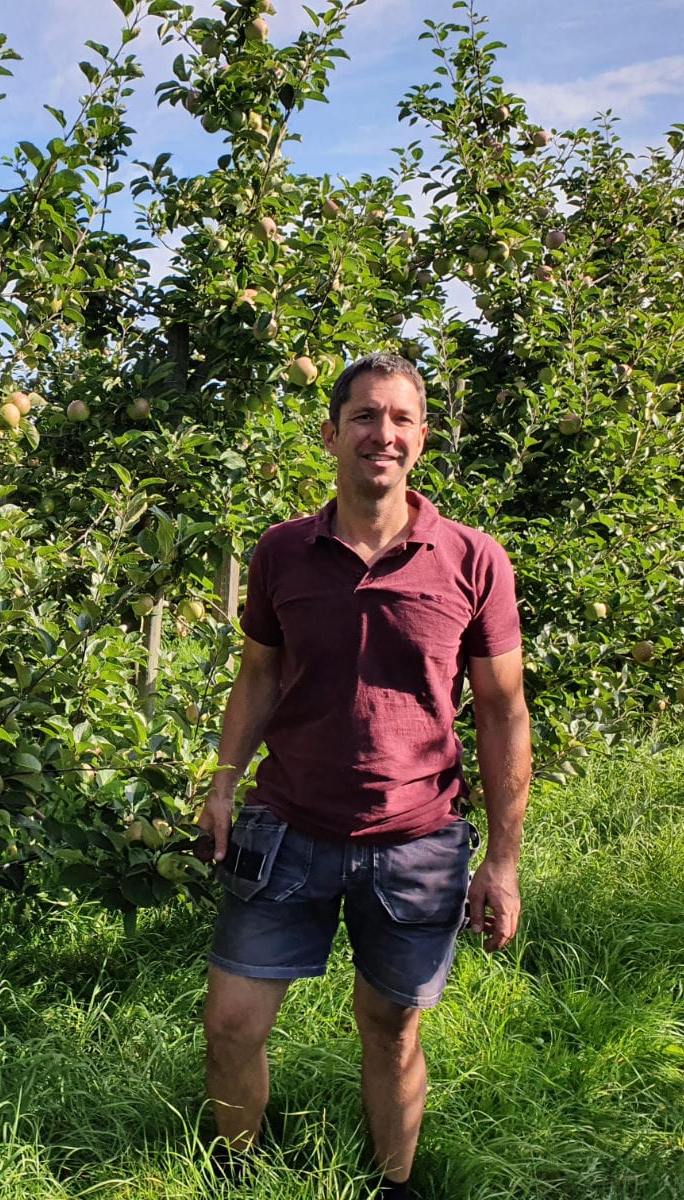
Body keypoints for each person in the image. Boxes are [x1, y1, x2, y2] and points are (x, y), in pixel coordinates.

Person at [198, 352, 531, 1198]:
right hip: (287, 827)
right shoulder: (282, 552)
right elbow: (260, 677)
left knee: (390, 1028)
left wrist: (502, 859)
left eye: (400, 419)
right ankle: (236, 1175)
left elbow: (501, 711)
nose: (381, 434)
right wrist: (223, 784)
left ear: (421, 437)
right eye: (364, 417)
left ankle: (395, 1186)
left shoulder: (472, 559)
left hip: (418, 841)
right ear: (332, 433)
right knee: (231, 1024)